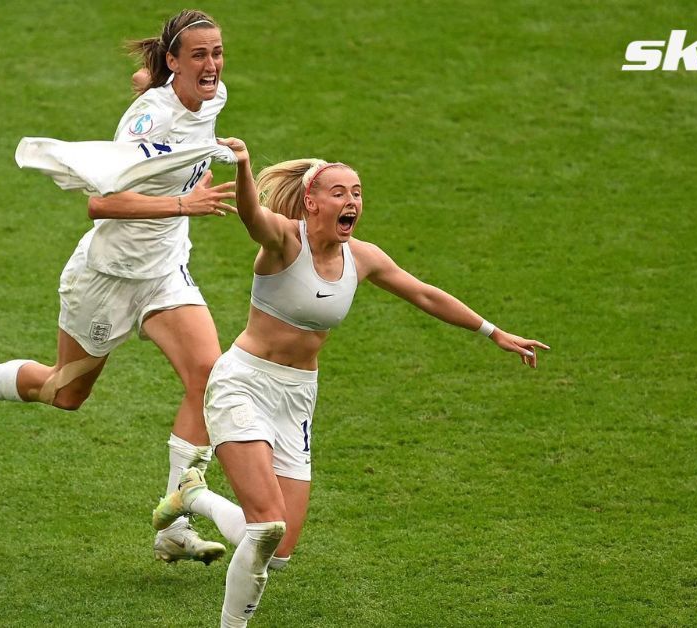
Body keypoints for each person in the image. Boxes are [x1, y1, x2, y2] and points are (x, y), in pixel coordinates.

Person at [151, 138, 549, 627]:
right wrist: (246, 165)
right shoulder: (283, 242)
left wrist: (493, 332)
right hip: (244, 384)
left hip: (296, 399)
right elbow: (252, 217)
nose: (352, 202)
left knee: (278, 550)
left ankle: (192, 494)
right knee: (267, 526)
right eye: (340, 192)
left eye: (357, 193)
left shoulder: (361, 257)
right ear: (312, 201)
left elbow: (424, 294)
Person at [0, 9, 238, 565]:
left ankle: (174, 525)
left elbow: (156, 88)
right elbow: (102, 202)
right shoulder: (149, 121)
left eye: (216, 53)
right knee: (65, 393)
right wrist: (182, 202)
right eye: (199, 55)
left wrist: (153, 82)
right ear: (175, 61)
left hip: (165, 273)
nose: (212, 65)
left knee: (208, 376)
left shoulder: (210, 96)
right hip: (106, 278)